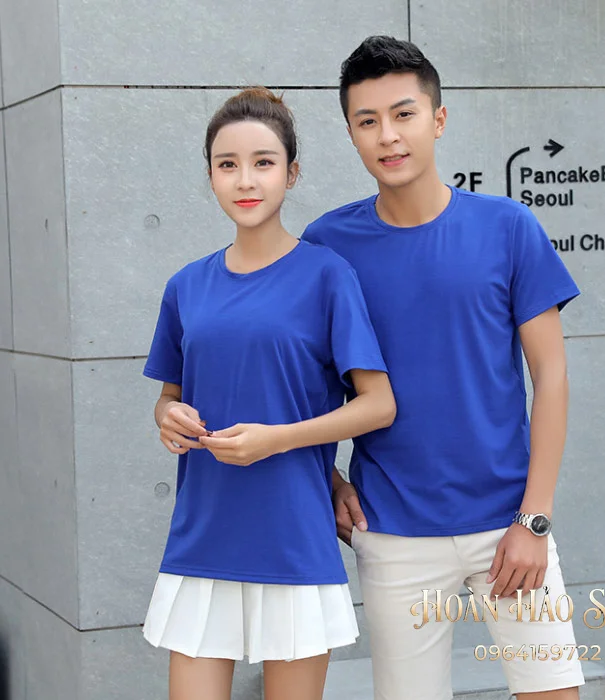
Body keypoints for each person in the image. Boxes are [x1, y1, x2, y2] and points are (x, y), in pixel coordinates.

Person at [301, 36, 585, 700]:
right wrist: (327, 476)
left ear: (438, 119)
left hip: (510, 523)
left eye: (403, 114)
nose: (387, 135)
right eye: (367, 121)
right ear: (351, 133)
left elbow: (551, 377)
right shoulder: (327, 246)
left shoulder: (508, 227)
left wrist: (535, 520)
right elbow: (305, 384)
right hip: (392, 530)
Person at [141, 86, 396, 700]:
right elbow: (168, 397)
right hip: (204, 533)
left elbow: (378, 404)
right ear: (210, 176)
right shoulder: (186, 287)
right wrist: (168, 416)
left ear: (292, 172)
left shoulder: (327, 275)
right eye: (227, 164)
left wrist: (277, 440)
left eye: (263, 162)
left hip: (293, 533)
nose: (245, 180)